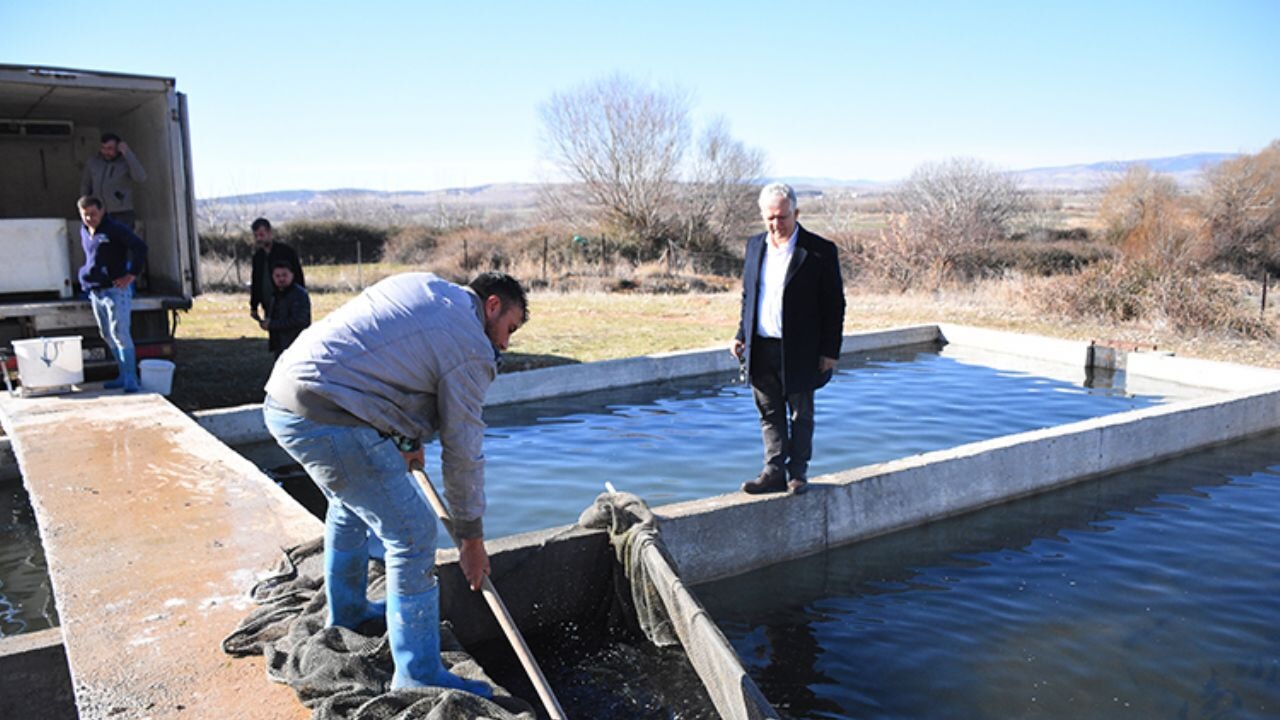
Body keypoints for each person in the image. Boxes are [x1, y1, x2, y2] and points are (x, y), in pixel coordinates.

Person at [262, 271, 528, 695]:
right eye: (509, 328)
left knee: (349, 504)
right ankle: (417, 675)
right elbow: (463, 450)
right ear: (492, 305)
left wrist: (405, 438)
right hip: (325, 416)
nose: (506, 344)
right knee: (413, 532)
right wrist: (471, 539)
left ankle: (349, 613)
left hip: (285, 398)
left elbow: (386, 362)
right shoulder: (471, 345)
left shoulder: (427, 287)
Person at [731, 182, 845, 495]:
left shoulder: (819, 250)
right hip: (761, 346)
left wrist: (830, 350)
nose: (776, 224)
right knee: (769, 414)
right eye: (769, 217)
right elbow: (749, 296)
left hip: (802, 349)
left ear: (796, 213)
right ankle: (773, 472)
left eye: (782, 217)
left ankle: (797, 473)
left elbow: (835, 305)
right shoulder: (755, 246)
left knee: (800, 414)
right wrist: (741, 334)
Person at [77, 195, 148, 393]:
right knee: (106, 334)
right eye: (85, 215)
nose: (89, 218)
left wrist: (131, 274)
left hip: (116, 290)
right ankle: (122, 375)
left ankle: (131, 378)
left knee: (120, 333)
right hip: (95, 290)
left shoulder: (115, 229)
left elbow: (140, 247)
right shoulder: (84, 231)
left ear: (102, 211)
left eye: (93, 214)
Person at [80, 133, 147, 230]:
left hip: (122, 213)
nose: (106, 152)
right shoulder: (93, 162)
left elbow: (140, 177)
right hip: (100, 212)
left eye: (110, 148)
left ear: (118, 148)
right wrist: (85, 205)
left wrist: (127, 153)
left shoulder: (125, 162)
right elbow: (86, 185)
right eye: (103, 148)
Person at [248, 218, 305, 326]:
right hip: (269, 304)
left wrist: (300, 300)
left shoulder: (286, 252)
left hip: (288, 302)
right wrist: (254, 306)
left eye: (261, 235)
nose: (259, 238)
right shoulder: (257, 257)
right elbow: (256, 282)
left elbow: (298, 276)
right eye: (256, 236)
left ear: (270, 232)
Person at [260, 260, 311, 358]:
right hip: (279, 345)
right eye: (277, 276)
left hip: (297, 344)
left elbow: (299, 321)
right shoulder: (274, 295)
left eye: (284, 275)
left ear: (292, 275)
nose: (281, 279)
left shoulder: (299, 295)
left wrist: (272, 325)